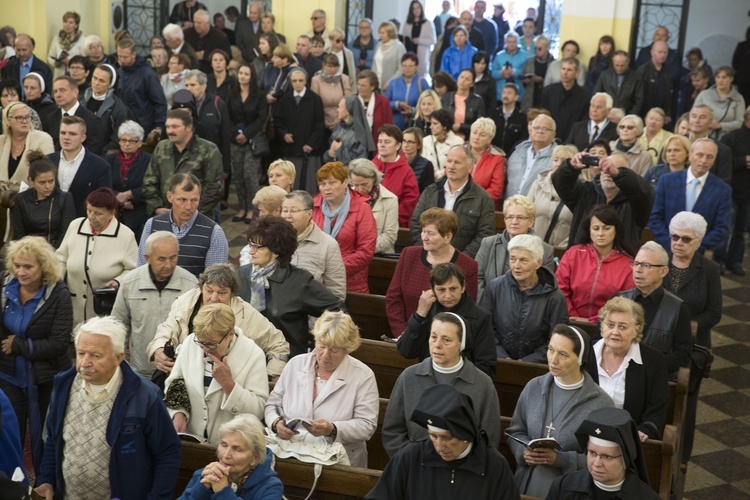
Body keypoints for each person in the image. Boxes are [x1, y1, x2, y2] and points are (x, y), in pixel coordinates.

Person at [33, 316, 181, 500]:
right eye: (80, 353)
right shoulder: (63, 385)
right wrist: (46, 480)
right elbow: (53, 441)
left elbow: (168, 453)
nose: (85, 363)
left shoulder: (144, 394)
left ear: (118, 357)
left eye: (95, 355)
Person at [506, 324, 613, 496]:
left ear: (580, 359)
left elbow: (604, 458)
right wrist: (522, 452)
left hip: (572, 490)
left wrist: (562, 459)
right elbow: (516, 431)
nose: (553, 359)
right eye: (550, 350)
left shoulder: (601, 403)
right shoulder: (533, 387)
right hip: (525, 484)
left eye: (563, 354)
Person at [265, 311, 379, 468]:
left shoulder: (363, 376)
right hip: (291, 455)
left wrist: (332, 429)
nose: (325, 355)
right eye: (322, 346)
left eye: (334, 350)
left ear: (347, 349)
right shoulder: (295, 364)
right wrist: (276, 423)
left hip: (339, 463)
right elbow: (272, 405)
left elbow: (366, 426)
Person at [370, 384, 519, 500]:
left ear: (466, 433)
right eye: (433, 436)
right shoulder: (410, 456)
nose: (439, 447)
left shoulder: (495, 466)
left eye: (447, 438)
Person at [0, 237, 72, 473]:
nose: (21, 271)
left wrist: (19, 345)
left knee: (47, 436)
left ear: (43, 267)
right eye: (17, 265)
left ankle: (46, 485)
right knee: (9, 436)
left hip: (47, 378)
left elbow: (59, 343)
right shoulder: (4, 286)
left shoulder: (58, 293)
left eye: (28, 266)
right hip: (9, 376)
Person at [383, 313, 501, 456]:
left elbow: (489, 439)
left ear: (461, 344)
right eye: (433, 337)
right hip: (414, 467)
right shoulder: (409, 377)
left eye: (446, 340)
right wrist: (411, 461)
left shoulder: (483, 384)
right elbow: (392, 432)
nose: (437, 345)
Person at [147, 263, 289, 381]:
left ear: (232, 294)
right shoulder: (185, 303)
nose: (214, 298)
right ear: (201, 287)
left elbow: (278, 343)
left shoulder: (246, 314)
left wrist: (273, 375)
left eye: (222, 293)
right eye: (209, 291)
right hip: (184, 380)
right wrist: (158, 349)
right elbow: (166, 329)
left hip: (226, 383)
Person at [164, 303, 269, 444]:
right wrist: (178, 413)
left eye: (211, 344)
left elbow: (258, 410)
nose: (205, 349)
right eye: (201, 342)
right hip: (191, 443)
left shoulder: (253, 354)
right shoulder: (191, 343)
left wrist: (229, 385)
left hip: (231, 447)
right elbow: (174, 384)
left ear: (230, 334)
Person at [238, 217, 343, 357]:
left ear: (276, 251)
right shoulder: (241, 275)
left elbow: (337, 310)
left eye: (258, 247)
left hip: (287, 360)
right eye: (251, 245)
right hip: (246, 357)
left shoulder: (299, 282)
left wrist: (318, 339)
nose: (251, 251)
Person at [663, 212, 722, 462]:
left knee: (684, 408)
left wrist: (686, 327)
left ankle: (681, 460)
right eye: (674, 237)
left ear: (698, 241)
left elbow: (714, 313)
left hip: (692, 348)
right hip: (659, 343)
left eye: (686, 239)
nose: (678, 243)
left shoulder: (709, 269)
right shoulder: (659, 261)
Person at [111, 231, 198, 378]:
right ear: (147, 258)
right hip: (140, 372)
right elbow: (118, 326)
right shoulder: (130, 283)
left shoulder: (191, 285)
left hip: (178, 372)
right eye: (161, 259)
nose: (168, 265)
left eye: (173, 258)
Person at [388, 208, 479, 337]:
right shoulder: (408, 255)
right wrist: (404, 334)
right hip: (407, 336)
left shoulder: (468, 266)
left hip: (446, 341)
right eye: (423, 231)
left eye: (430, 233)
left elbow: (467, 311)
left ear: (447, 237)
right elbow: (393, 299)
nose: (424, 238)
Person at [479, 234, 568, 361]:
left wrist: (527, 362)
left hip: (537, 367)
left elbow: (557, 338)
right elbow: (485, 329)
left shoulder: (554, 297)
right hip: (497, 361)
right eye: (513, 259)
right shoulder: (495, 288)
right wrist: (502, 356)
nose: (516, 266)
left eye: (523, 260)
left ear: (538, 263)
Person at [591, 296, 669, 440]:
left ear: (636, 329)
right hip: (587, 433)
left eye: (622, 327)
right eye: (610, 325)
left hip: (628, 438)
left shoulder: (654, 361)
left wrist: (646, 429)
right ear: (602, 327)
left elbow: (657, 406)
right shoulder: (585, 355)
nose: (615, 332)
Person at [397, 263, 496, 376]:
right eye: (441, 290)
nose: (448, 295)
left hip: (463, 384)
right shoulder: (426, 311)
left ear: (463, 286)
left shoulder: (481, 317)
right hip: (428, 379)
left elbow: (486, 366)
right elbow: (406, 351)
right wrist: (419, 315)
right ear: (432, 289)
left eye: (453, 289)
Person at [55, 188, 136, 326]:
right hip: (71, 310)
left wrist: (117, 281)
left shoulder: (126, 235)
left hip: (104, 314)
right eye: (89, 210)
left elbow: (134, 270)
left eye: (98, 213)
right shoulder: (75, 226)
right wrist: (57, 278)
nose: (92, 216)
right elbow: (60, 259)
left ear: (111, 213)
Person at [553, 151, 653, 257]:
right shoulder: (586, 192)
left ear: (627, 174)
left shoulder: (636, 201)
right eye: (604, 166)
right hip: (581, 261)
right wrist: (570, 166)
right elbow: (560, 183)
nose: (607, 171)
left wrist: (617, 174)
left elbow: (646, 192)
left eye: (614, 168)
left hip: (620, 265)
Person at [546, 407, 661, 500]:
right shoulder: (563, 486)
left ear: (626, 458)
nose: (596, 463)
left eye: (606, 456)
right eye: (592, 453)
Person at [616, 241, 693, 375]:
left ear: (663, 271)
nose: (638, 270)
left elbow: (682, 354)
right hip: (616, 373)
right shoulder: (617, 300)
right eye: (636, 263)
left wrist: (650, 368)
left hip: (654, 378)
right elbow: (599, 340)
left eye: (646, 265)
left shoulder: (678, 308)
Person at [410, 144, 495, 258]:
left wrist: (460, 259)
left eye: (457, 162)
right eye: (449, 161)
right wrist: (427, 253)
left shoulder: (483, 198)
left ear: (470, 166)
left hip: (461, 263)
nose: (451, 166)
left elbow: (484, 234)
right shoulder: (431, 191)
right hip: (428, 257)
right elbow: (416, 223)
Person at [648, 138, 731, 252]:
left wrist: (694, 247)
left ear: (714, 159)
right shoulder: (667, 181)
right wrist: (672, 244)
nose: (704, 160)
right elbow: (655, 218)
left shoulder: (722, 189)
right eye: (699, 155)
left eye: (709, 157)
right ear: (690, 155)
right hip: (665, 249)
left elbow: (721, 228)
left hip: (698, 254)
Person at [138, 173, 228, 277]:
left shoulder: (214, 232)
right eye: (182, 200)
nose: (189, 207)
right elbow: (141, 268)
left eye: (194, 200)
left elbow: (214, 281)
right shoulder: (152, 225)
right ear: (169, 197)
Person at [557, 205, 635, 323]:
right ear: (589, 230)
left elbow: (625, 302)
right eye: (595, 228)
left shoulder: (628, 264)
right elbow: (559, 288)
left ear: (616, 230)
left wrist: (594, 321)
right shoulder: (573, 254)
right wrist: (573, 317)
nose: (600, 233)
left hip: (608, 326)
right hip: (569, 321)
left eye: (606, 228)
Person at [142, 109, 224, 220]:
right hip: (164, 216)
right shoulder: (161, 147)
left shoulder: (208, 150)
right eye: (168, 127)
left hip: (197, 217)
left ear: (189, 127)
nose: (170, 131)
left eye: (175, 127)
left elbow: (215, 187)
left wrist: (188, 210)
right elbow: (149, 180)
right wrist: (156, 207)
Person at [179, 414, 283, 499]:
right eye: (224, 445)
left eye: (237, 449)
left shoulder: (270, 487)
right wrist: (202, 489)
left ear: (254, 458)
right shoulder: (204, 475)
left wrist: (223, 492)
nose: (225, 455)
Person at [312, 162, 376, 294]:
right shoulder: (314, 206)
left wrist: (333, 269)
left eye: (332, 182)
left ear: (345, 182)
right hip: (316, 280)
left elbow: (365, 252)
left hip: (351, 282)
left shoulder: (362, 208)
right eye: (322, 184)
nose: (327, 188)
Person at [476, 195, 555, 296]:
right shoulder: (488, 243)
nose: (514, 222)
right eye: (510, 217)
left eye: (520, 217)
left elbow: (544, 287)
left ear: (531, 222)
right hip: (489, 305)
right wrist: (487, 304)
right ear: (505, 220)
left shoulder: (545, 250)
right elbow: (477, 278)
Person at [279, 191, 346, 300]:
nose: (287, 215)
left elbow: (336, 291)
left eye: (294, 211)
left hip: (311, 313)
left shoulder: (328, 244)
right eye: (285, 210)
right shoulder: (272, 239)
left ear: (309, 214)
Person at [48, 115, 112, 218]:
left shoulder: (100, 166)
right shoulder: (47, 161)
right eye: (63, 133)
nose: (66, 137)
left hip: (83, 224)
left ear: (83, 137)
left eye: (72, 134)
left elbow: (104, 202)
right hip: (50, 224)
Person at [274, 68, 325, 194]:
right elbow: (278, 121)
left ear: (306, 82)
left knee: (310, 186)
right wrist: (284, 134)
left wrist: (311, 144)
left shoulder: (314, 99)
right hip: (291, 149)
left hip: (309, 150)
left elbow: (319, 124)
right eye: (294, 81)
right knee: (291, 184)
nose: (297, 83)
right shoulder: (285, 100)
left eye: (300, 80)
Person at [228, 63, 268, 224]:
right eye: (241, 73)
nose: (242, 76)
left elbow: (261, 118)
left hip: (253, 139)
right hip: (235, 140)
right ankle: (242, 207)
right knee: (237, 175)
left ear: (252, 77)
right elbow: (227, 116)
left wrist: (246, 134)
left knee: (249, 175)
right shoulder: (232, 93)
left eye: (246, 74)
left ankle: (253, 208)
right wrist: (235, 134)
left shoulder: (259, 95)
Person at [11, 151, 74, 248]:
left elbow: (65, 233)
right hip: (28, 251)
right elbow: (19, 235)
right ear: (32, 181)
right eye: (42, 182)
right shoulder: (21, 199)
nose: (48, 186)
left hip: (56, 252)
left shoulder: (65, 198)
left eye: (51, 181)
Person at [115, 38, 168, 143]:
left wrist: (158, 125)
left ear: (133, 55)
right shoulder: (119, 73)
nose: (121, 59)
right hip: (122, 126)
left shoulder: (147, 74)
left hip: (144, 126)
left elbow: (159, 102)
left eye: (125, 57)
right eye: (119, 56)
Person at [719, 106, 750, 276]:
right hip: (730, 191)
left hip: (748, 194)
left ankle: (735, 261)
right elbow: (722, 163)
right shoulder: (732, 138)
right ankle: (719, 261)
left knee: (741, 230)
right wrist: (743, 161)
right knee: (724, 229)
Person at [526, 144, 575, 249]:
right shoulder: (538, 184)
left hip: (564, 250)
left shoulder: (581, 189)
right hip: (534, 247)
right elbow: (526, 213)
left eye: (563, 160)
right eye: (555, 160)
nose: (558, 164)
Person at [43, 76, 107, 155]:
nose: (58, 95)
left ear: (75, 92)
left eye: (62, 90)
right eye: (55, 91)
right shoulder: (50, 118)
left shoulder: (92, 121)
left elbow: (93, 152)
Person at [372, 125, 420, 227]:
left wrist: (390, 219)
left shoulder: (407, 172)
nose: (382, 145)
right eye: (380, 141)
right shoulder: (370, 167)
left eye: (387, 142)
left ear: (398, 146)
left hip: (394, 225)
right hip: (368, 222)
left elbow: (409, 202)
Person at [348, 159, 398, 254]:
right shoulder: (347, 197)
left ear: (374, 179)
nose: (359, 189)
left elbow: (389, 236)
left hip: (379, 255)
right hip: (350, 253)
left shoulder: (390, 199)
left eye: (364, 184)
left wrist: (363, 249)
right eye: (355, 185)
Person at [0, 102, 53, 191]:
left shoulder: (43, 139)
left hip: (31, 198)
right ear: (8, 121)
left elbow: (46, 172)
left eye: (27, 117)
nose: (24, 121)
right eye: (19, 118)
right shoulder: (1, 141)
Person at [81, 64, 130, 154]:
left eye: (102, 81)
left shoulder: (117, 107)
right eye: (95, 78)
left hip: (102, 154)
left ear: (110, 84)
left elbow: (117, 135)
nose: (96, 83)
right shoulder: (81, 99)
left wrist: (105, 152)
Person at [541, 56, 591, 141]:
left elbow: (583, 123)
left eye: (569, 70)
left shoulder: (585, 96)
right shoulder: (548, 91)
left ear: (577, 73)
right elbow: (543, 115)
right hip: (549, 138)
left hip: (572, 140)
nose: (565, 73)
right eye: (563, 69)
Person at [505, 114, 556, 197]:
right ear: (530, 130)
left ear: (554, 134)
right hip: (509, 207)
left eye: (545, 129)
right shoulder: (517, 150)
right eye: (536, 128)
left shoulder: (557, 157)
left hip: (538, 209)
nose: (540, 131)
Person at [694, 66, 746, 140]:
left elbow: (740, 122)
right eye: (718, 77)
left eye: (724, 77)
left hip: (728, 139)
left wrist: (721, 125)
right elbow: (693, 115)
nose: (720, 80)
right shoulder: (704, 95)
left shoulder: (738, 99)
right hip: (704, 137)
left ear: (731, 79)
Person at [686, 104, 733, 183]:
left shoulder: (722, 150)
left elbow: (724, 182)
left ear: (711, 122)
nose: (697, 121)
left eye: (702, 117)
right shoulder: (675, 143)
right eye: (694, 116)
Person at [384, 53, 429, 130]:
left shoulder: (422, 83)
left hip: (416, 124)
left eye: (410, 66)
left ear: (416, 67)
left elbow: (429, 103)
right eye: (404, 66)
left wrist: (413, 110)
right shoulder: (393, 83)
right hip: (395, 123)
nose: (407, 68)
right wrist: (397, 104)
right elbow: (385, 103)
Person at [324, 96, 374, 166]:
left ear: (348, 111)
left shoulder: (360, 134)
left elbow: (359, 162)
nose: (337, 110)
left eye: (340, 107)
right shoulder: (338, 129)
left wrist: (339, 149)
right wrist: (330, 153)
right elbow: (327, 157)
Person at [311, 54, 353, 136]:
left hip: (341, 122)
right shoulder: (316, 80)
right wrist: (325, 122)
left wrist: (338, 120)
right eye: (329, 66)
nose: (333, 69)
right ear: (323, 65)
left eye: (336, 66)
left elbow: (347, 100)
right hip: (322, 123)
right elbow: (315, 104)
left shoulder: (344, 79)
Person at [468, 117, 505, 208]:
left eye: (482, 135)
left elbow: (496, 191)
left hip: (484, 207)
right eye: (474, 133)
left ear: (490, 139)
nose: (476, 137)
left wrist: (472, 200)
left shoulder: (497, 159)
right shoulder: (460, 152)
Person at [2, 34, 53, 99]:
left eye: (24, 50)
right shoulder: (10, 66)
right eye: (18, 50)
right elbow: (4, 87)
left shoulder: (44, 68)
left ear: (32, 47)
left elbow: (47, 94)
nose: (21, 53)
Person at [441, 68, 485, 140]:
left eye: (467, 79)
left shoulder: (477, 101)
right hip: (446, 137)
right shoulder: (446, 97)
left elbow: (480, 124)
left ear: (472, 84)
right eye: (462, 77)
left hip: (467, 139)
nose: (463, 81)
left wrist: (461, 127)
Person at [184, 10, 232, 75]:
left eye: (199, 23)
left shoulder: (221, 37)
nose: (196, 25)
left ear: (208, 23)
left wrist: (206, 55)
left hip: (211, 74)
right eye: (195, 22)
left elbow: (227, 58)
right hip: (189, 73)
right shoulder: (186, 34)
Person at [421, 108, 463, 180]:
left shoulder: (458, 142)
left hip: (450, 180)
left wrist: (438, 174)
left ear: (444, 125)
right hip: (429, 182)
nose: (431, 127)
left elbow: (459, 166)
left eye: (435, 123)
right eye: (430, 123)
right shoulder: (425, 141)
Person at [635, 41, 673, 119]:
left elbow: (668, 96)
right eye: (660, 52)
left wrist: (668, 113)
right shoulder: (643, 71)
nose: (663, 55)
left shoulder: (667, 71)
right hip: (644, 114)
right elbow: (638, 96)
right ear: (652, 52)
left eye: (665, 53)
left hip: (661, 115)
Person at [357, 70, 394, 147]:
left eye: (363, 85)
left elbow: (389, 127)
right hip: (356, 146)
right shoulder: (353, 100)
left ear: (372, 87)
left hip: (377, 145)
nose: (359, 88)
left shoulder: (383, 102)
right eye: (358, 84)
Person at [520, 35, 553, 112]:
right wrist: (525, 80)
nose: (537, 51)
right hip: (530, 97)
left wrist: (542, 81)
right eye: (535, 48)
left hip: (545, 98)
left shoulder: (552, 63)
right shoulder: (529, 61)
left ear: (547, 48)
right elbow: (523, 75)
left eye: (540, 49)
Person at [47, 12, 84, 80]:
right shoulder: (57, 38)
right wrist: (55, 63)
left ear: (76, 25)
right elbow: (50, 56)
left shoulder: (82, 40)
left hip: (74, 76)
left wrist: (71, 63)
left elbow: (85, 60)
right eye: (65, 21)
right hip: (59, 74)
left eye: (71, 22)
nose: (67, 25)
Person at [492, 32, 527, 103]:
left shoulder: (525, 56)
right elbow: (493, 73)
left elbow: (527, 72)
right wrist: (501, 73)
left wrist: (514, 72)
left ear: (517, 42)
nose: (511, 44)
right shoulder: (499, 55)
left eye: (514, 42)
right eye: (509, 42)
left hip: (518, 94)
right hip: (501, 93)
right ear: (505, 43)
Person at [493, 83, 527, 155]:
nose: (505, 96)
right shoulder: (493, 114)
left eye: (509, 93)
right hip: (493, 154)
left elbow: (523, 141)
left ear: (516, 97)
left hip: (513, 155)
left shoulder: (522, 118)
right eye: (504, 92)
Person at [402, 1, 435, 76]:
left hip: (422, 55)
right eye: (414, 8)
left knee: (420, 77)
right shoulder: (407, 23)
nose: (416, 10)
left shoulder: (428, 23)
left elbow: (433, 40)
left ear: (421, 9)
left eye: (418, 8)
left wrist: (419, 40)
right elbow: (403, 38)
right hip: (409, 52)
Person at [372, 22, 406, 92]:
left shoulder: (398, 47)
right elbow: (374, 64)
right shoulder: (379, 45)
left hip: (392, 87)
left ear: (390, 33)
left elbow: (401, 69)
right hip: (376, 85)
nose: (380, 35)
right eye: (379, 33)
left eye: (383, 33)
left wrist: (389, 83)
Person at [402, 127, 434, 193]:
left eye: (410, 142)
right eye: (403, 141)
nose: (405, 145)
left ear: (419, 145)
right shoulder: (396, 161)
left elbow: (428, 192)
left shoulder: (426, 165)